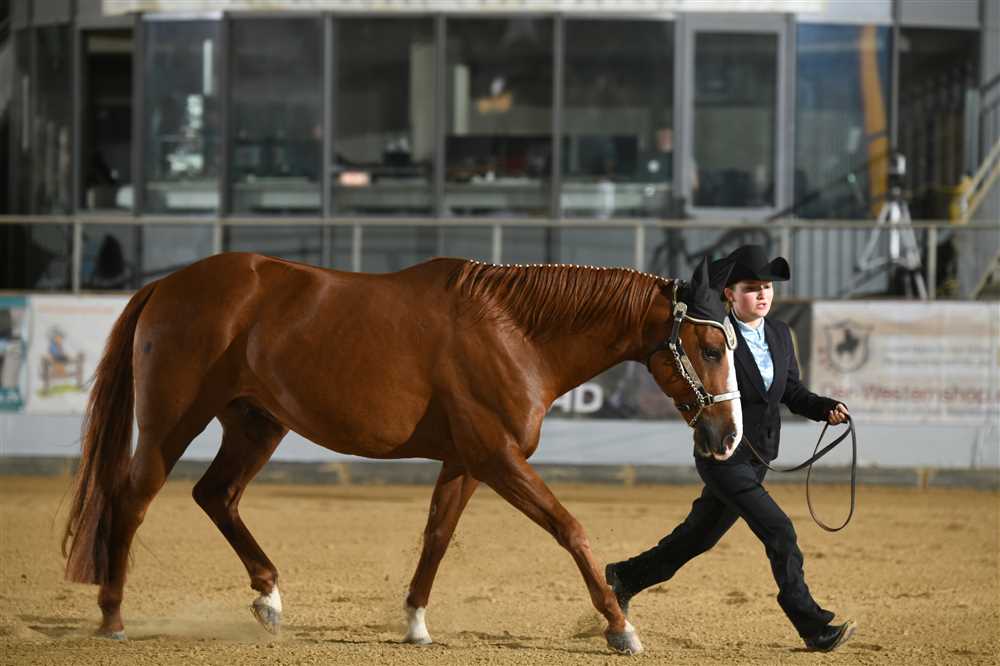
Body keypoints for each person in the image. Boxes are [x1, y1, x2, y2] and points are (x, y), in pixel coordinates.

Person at [605, 244, 856, 652]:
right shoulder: (715, 335)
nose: (763, 294)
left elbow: (791, 391)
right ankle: (812, 626)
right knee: (779, 530)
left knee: (697, 539)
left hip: (759, 457)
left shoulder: (780, 334)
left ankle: (625, 577)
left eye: (767, 287)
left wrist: (824, 407)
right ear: (730, 294)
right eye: (752, 287)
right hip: (721, 455)